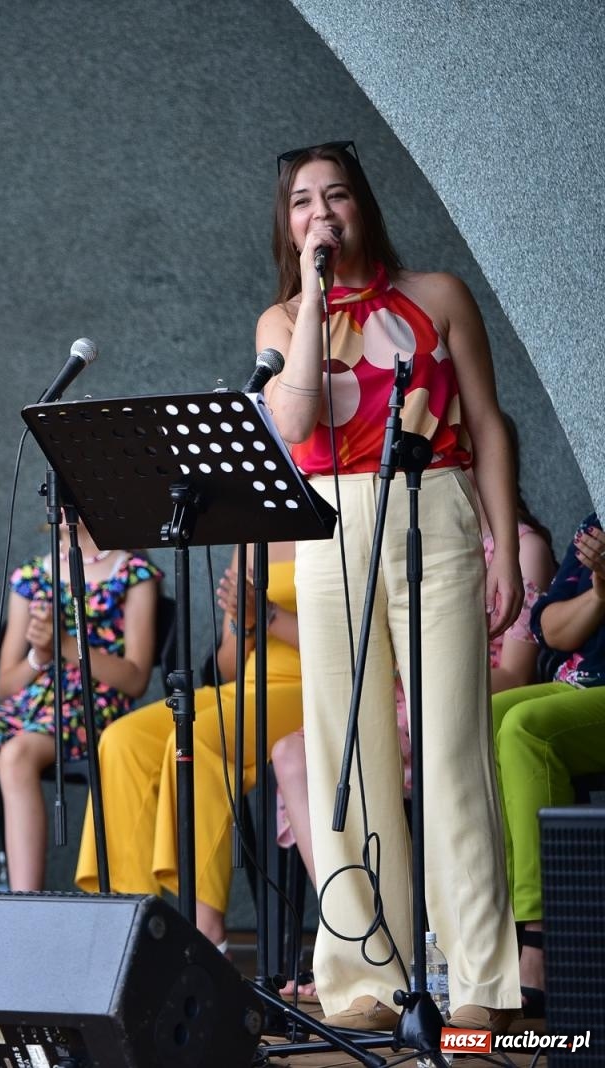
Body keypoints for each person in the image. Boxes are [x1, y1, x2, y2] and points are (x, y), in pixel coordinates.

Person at [257, 141, 522, 1032]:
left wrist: (506, 550)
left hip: (434, 505)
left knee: (450, 750)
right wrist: (313, 294)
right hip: (327, 528)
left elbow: (487, 421)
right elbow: (294, 422)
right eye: (302, 202)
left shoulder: (438, 295)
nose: (321, 212)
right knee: (346, 755)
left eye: (335, 196)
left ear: (364, 205)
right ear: (287, 224)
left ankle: (478, 981)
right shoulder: (280, 319)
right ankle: (366, 977)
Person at [271, 467, 555, 999]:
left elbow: (515, 672)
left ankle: (462, 968)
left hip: (468, 690)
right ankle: (362, 934)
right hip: (399, 692)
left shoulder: (520, 543)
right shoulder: (384, 528)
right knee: (295, 751)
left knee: (441, 763)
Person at [75, 542, 300, 952]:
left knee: (195, 736)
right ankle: (130, 927)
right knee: (123, 741)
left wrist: (268, 615)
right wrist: (247, 625)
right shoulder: (251, 538)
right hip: (248, 687)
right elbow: (230, 667)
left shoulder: (351, 512)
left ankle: (205, 935)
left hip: (315, 689)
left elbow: (357, 641)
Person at [0, 523, 160, 892]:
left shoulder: (132, 573)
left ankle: (24, 899)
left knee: (16, 756)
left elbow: (135, 679)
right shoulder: (32, 577)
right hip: (31, 700)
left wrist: (66, 644)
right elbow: (4, 687)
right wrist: (39, 656)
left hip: (94, 702)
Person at [491, 513, 605, 1016]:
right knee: (477, 719)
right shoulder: (598, 519)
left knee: (525, 728)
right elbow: (552, 629)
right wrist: (602, 591)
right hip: (577, 683)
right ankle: (489, 935)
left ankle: (540, 942)